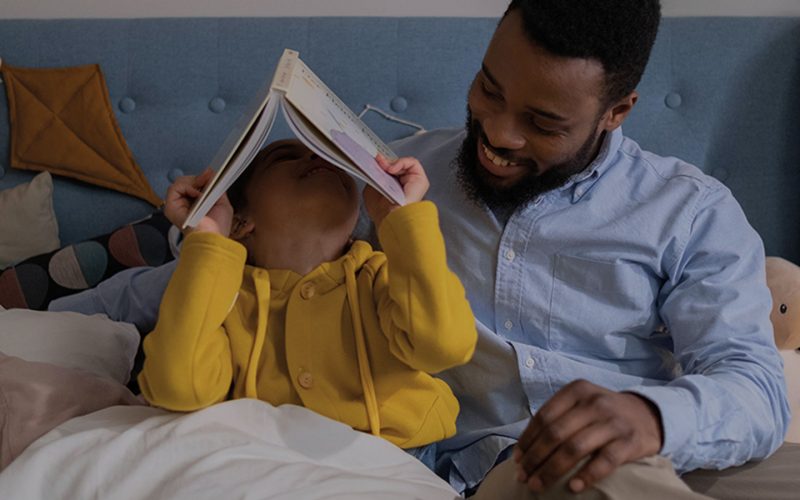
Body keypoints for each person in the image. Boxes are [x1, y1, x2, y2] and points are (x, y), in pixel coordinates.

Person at [52, 1, 798, 498]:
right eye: (488, 89)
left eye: (543, 122)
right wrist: (61, 319)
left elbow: (755, 387)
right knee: (598, 479)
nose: (498, 134)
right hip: (504, 469)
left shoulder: (690, 211)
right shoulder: (392, 180)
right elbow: (267, 273)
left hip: (658, 446)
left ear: (617, 112)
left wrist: (651, 417)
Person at [136, 139, 477, 468]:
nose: (319, 157)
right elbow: (177, 386)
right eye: (285, 157)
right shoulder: (222, 298)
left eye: (331, 157)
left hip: (398, 460)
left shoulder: (381, 278)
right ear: (240, 221)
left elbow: (443, 345)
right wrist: (209, 239)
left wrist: (400, 217)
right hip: (276, 469)